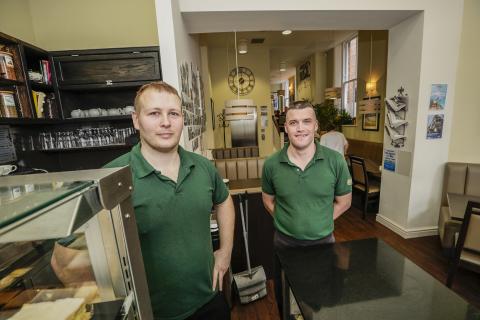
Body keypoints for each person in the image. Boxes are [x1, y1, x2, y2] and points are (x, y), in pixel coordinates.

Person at [104, 81, 235, 320]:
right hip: (151, 313)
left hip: (209, 300)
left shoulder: (203, 167)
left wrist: (225, 251)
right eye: (154, 113)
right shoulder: (114, 177)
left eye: (173, 113)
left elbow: (224, 200)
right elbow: (66, 257)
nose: (166, 122)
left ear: (182, 118)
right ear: (136, 120)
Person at [261, 100, 352, 314]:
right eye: (293, 123)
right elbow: (267, 199)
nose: (300, 128)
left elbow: (344, 201)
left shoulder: (335, 161)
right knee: (286, 303)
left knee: (319, 303)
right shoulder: (272, 164)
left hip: (323, 245)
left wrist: (321, 220)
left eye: (306, 121)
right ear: (286, 127)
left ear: (316, 126)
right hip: (284, 245)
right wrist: (286, 219)